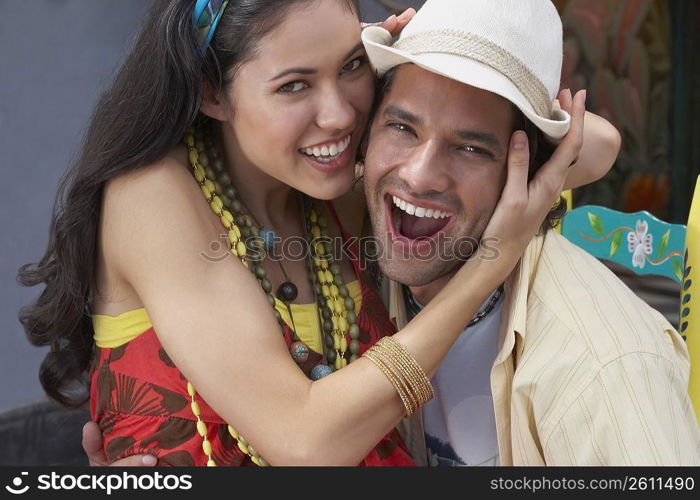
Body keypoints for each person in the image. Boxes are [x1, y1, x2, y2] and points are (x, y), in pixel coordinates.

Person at [22, 0, 602, 467]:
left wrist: (434, 59)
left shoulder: (335, 193)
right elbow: (306, 443)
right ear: (211, 91)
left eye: (351, 67)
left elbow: (595, 146)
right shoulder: (152, 195)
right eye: (295, 85)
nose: (341, 115)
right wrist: (486, 266)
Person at [358, 0, 699, 466]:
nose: (419, 176)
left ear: (530, 173)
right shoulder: (352, 252)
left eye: (471, 148)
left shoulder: (604, 370)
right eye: (402, 127)